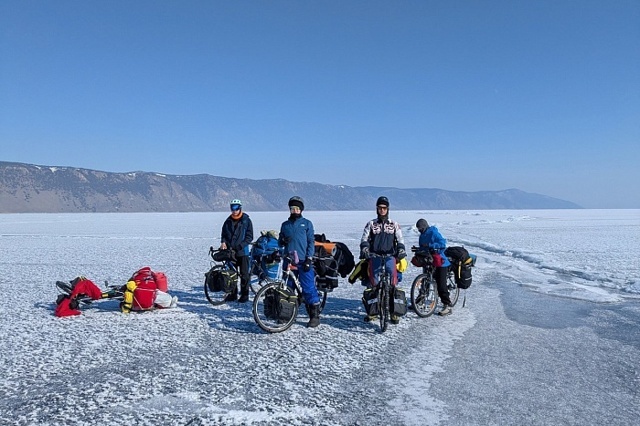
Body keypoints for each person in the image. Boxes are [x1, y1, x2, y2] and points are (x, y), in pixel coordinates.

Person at [359, 196, 406, 324]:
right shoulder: (371, 224)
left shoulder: (394, 224)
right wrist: (365, 249)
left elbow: (400, 239)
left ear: (388, 209)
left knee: (392, 281)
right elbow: (364, 239)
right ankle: (373, 311)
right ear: (377, 209)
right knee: (374, 282)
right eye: (380, 208)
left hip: (390, 255)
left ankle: (394, 312)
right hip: (375, 256)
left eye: (384, 208)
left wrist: (401, 249)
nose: (382, 210)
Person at [278, 196, 321, 328]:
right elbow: (280, 241)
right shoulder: (285, 225)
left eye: (297, 208)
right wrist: (282, 242)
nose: (295, 210)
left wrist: (309, 258)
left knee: (308, 287)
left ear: (301, 210)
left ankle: (314, 315)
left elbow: (310, 242)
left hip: (303, 261)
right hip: (289, 261)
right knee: (288, 288)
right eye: (292, 208)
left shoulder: (307, 224)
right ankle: (287, 313)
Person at [219, 199, 254, 302]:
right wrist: (223, 242)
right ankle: (233, 294)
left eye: (236, 208)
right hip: (231, 252)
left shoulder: (246, 220)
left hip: (242, 252)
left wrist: (241, 246)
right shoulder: (228, 221)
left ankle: (244, 295)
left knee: (244, 275)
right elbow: (224, 234)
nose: (234, 210)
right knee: (232, 274)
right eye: (232, 208)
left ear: (240, 208)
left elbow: (249, 236)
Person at [416, 218, 453, 316]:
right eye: (418, 229)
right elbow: (423, 247)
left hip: (440, 261)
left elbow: (442, 243)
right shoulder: (422, 235)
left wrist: (431, 245)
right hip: (429, 260)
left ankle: (447, 305)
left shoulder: (433, 232)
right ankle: (421, 299)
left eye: (421, 228)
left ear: (425, 226)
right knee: (425, 280)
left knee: (441, 284)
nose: (420, 230)